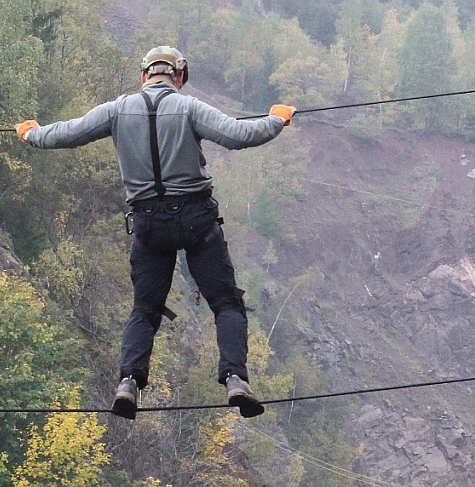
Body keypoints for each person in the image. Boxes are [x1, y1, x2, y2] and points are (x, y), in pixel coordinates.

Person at [15, 45, 296, 420]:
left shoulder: (117, 110)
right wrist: (277, 120)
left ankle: (128, 383)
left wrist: (34, 134)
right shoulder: (189, 107)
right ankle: (235, 380)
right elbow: (237, 134)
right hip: (197, 221)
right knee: (227, 304)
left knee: (145, 309)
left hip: (148, 224)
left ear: (144, 76)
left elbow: (68, 134)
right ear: (179, 77)